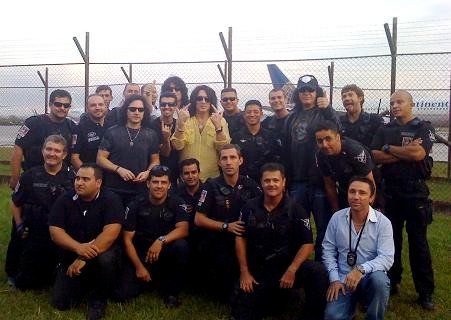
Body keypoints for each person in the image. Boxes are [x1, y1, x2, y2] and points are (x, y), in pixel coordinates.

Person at [231, 163, 328, 320]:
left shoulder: (297, 209)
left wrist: (292, 270)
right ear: (261, 183)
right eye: (267, 181)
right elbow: (240, 238)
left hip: (288, 268)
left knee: (317, 271)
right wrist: (244, 272)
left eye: (276, 180)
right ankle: (280, 297)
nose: (271, 184)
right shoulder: (249, 208)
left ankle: (313, 314)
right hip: (260, 269)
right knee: (243, 314)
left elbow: (307, 243)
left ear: (284, 182)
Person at [371, 90, 435, 310]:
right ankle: (393, 280)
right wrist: (403, 151)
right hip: (391, 193)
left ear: (411, 104)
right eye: (392, 102)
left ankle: (425, 292)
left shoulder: (423, 128)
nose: (395, 105)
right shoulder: (384, 129)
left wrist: (389, 149)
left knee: (419, 244)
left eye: (400, 101)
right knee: (391, 242)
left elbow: (418, 155)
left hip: (415, 193)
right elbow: (374, 155)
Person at [49, 163, 123, 320]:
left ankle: (98, 301)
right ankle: (80, 284)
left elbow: (111, 233)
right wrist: (78, 248)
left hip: (100, 254)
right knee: (61, 303)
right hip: (73, 254)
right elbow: (55, 232)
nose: (79, 183)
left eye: (85, 179)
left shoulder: (111, 199)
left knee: (107, 259)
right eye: (77, 178)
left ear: (98, 183)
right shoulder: (65, 199)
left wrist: (83, 257)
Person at [5, 135, 74, 290]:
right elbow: (16, 202)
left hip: (62, 232)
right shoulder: (29, 175)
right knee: (28, 284)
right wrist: (19, 225)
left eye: (57, 151)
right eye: (48, 149)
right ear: (42, 151)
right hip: (36, 231)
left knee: (59, 279)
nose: (52, 153)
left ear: (64, 154)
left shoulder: (73, 177)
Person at [116, 165, 189, 308]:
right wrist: (139, 267)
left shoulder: (177, 202)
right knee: (122, 295)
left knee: (182, 246)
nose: (159, 186)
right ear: (148, 183)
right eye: (155, 182)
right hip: (140, 254)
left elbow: (183, 230)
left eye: (163, 182)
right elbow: (127, 239)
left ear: (169, 185)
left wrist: (161, 240)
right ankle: (146, 278)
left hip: (164, 252)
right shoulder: (135, 204)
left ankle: (171, 292)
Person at [283, 74, 339, 260]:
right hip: (298, 182)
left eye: (310, 90)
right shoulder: (291, 118)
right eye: (302, 90)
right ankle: (298, 270)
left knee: (324, 229)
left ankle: (321, 271)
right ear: (297, 94)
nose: (306, 93)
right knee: (297, 228)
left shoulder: (324, 113)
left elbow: (339, 132)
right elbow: (286, 150)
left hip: (321, 182)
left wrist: (329, 110)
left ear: (317, 93)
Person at [195, 144, 261, 300]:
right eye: (224, 158)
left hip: (246, 238)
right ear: (219, 162)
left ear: (240, 160)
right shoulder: (210, 185)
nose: (228, 162)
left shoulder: (250, 184)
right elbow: (198, 219)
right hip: (220, 239)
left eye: (233, 157)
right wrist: (226, 227)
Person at [322, 177, 394, 320]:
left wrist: (361, 269)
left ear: (371, 198)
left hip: (369, 277)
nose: (356, 197)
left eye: (362, 193)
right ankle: (350, 309)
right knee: (331, 317)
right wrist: (334, 279)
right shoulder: (336, 218)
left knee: (380, 281)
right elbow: (328, 249)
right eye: (352, 192)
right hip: (343, 279)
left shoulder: (383, 223)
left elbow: (386, 258)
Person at [97, 95, 160, 205]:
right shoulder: (112, 132)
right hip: (114, 189)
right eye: (132, 109)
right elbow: (100, 159)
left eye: (141, 110)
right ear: (125, 110)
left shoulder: (151, 134)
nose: (137, 112)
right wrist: (118, 169)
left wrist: (148, 172)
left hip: (140, 190)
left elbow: (155, 161)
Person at [10, 89, 76, 189]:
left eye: (66, 105)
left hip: (60, 180)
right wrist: (15, 177)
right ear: (50, 104)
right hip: (33, 178)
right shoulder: (33, 123)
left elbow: (73, 155)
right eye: (58, 104)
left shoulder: (72, 126)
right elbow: (18, 149)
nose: (62, 108)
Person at [171, 85, 231, 181]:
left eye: (207, 99)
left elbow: (223, 149)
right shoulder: (185, 119)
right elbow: (178, 146)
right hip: (187, 177)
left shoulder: (220, 120)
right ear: (194, 100)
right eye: (199, 98)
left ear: (211, 101)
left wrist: (218, 128)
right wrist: (180, 124)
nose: (203, 102)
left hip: (212, 177)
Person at [315, 120, 375, 211]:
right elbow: (329, 185)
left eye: (328, 139)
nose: (324, 145)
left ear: (338, 137)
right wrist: (336, 211)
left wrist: (367, 209)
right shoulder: (321, 155)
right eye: (320, 141)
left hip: (367, 190)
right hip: (345, 190)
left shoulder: (355, 151)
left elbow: (370, 182)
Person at [231, 99, 281, 182]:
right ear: (244, 114)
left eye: (255, 112)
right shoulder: (236, 136)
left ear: (261, 114)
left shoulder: (270, 136)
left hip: (265, 181)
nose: (252, 114)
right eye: (249, 112)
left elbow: (276, 161)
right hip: (242, 181)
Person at [339, 84, 384, 148]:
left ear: (360, 98)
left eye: (350, 95)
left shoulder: (374, 120)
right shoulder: (338, 122)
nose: (346, 98)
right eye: (344, 96)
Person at [149, 91, 179, 185]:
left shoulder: (179, 124)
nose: (166, 107)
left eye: (170, 104)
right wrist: (166, 139)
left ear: (175, 106)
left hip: (176, 172)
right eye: (163, 104)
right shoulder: (152, 126)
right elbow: (165, 153)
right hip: (157, 174)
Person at [71, 94, 109, 170]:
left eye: (100, 104)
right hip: (90, 176)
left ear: (105, 106)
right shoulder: (80, 129)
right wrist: (88, 175)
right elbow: (74, 158)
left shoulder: (113, 127)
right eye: (93, 105)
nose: (97, 108)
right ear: (87, 108)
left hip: (111, 175)